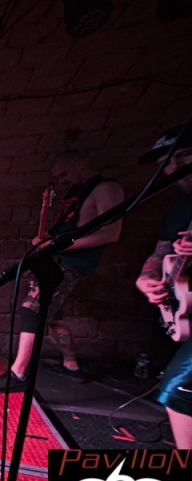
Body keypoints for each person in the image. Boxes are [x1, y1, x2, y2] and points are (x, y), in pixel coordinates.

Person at [0, 151, 125, 392]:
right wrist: (45, 241)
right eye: (58, 177)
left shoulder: (105, 188)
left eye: (64, 174)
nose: (62, 181)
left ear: (80, 163)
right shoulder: (73, 195)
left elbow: (112, 233)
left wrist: (58, 245)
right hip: (55, 259)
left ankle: (18, 374)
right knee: (54, 316)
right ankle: (71, 366)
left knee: (31, 309)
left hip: (71, 263)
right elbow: (61, 232)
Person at [135, 121, 192, 448]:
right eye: (166, 163)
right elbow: (161, 252)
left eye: (184, 156)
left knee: (178, 389)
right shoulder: (179, 207)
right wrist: (146, 277)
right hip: (187, 310)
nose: (173, 168)